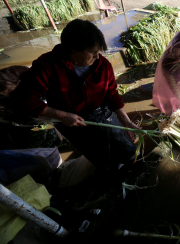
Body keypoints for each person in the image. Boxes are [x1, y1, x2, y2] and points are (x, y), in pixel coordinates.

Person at [9, 19, 140, 172]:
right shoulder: (46, 66)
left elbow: (112, 94)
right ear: (72, 49)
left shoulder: (103, 65)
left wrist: (126, 121)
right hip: (72, 122)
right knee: (102, 158)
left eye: (99, 52)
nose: (97, 57)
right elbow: (23, 100)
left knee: (128, 150)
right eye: (92, 52)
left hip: (102, 114)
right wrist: (61, 115)